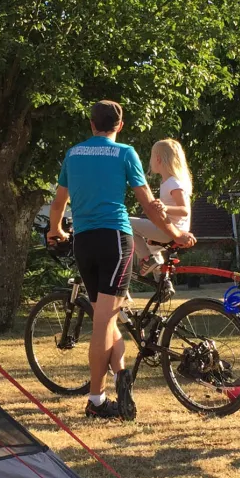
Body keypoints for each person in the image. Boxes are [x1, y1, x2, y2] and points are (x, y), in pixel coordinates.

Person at [47, 101, 196, 420]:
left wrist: (55, 230)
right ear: (120, 125)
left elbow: (59, 201)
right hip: (115, 239)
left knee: (107, 317)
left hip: (84, 241)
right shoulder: (125, 153)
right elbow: (149, 204)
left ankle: (121, 376)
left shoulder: (73, 154)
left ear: (91, 124)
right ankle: (97, 399)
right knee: (104, 321)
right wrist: (176, 234)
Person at [130, 139, 192, 280]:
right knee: (152, 248)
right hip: (168, 228)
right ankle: (163, 284)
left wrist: (165, 207)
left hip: (170, 230)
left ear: (157, 159)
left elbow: (184, 210)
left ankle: (146, 259)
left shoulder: (173, 183)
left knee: (126, 222)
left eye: (152, 157)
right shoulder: (167, 182)